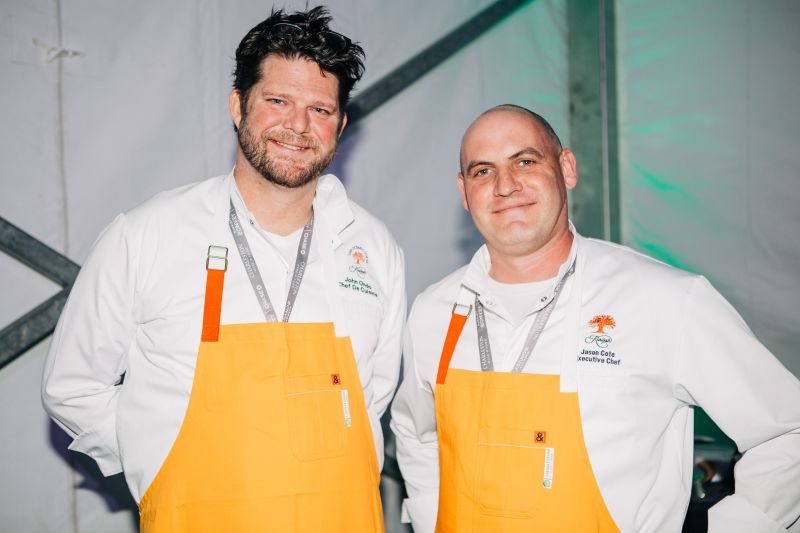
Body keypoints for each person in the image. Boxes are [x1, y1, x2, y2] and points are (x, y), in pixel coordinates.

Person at [42, 6, 405, 532]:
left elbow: (374, 396)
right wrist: (157, 458)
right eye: (277, 101)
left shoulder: (373, 249)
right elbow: (73, 386)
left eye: (320, 110)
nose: (298, 126)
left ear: (341, 125)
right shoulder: (147, 234)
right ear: (238, 106)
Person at [390, 104, 800, 533]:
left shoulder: (664, 299)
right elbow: (418, 434)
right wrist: (430, 517)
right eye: (482, 171)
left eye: (525, 161)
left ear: (566, 168)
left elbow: (786, 431)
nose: (505, 186)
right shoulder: (434, 311)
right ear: (463, 191)